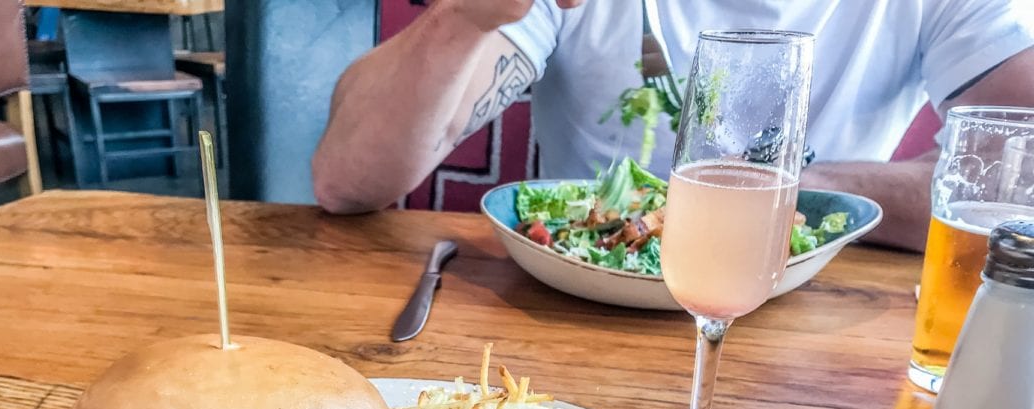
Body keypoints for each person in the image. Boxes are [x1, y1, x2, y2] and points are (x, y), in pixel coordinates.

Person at [312, 0, 1034, 251]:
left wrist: (796, 192)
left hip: (818, 331)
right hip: (569, 322)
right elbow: (347, 181)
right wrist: (464, 17)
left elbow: (1021, 179)